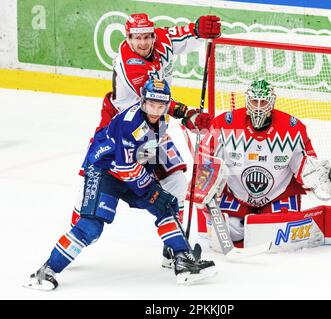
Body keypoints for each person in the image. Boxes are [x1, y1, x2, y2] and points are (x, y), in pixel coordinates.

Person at [24, 79, 217, 291]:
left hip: (132, 169)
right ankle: (46, 271)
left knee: (166, 207)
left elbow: (167, 107)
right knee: (91, 227)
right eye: (152, 104)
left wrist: (189, 114)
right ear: (143, 101)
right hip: (104, 170)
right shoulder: (130, 124)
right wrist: (153, 191)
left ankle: (183, 262)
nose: (156, 110)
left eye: (161, 106)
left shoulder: (160, 115)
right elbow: (125, 168)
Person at [71, 12, 221, 233]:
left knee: (176, 180)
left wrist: (198, 29)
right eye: (136, 38)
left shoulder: (160, 40)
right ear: (128, 38)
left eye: (147, 37)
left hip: (153, 129)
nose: (143, 43)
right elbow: (154, 101)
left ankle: (175, 246)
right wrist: (187, 113)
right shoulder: (130, 64)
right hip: (118, 131)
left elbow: (183, 35)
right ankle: (78, 228)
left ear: (153, 35)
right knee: (98, 177)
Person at [198, 79, 331, 248]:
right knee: (230, 231)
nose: (259, 107)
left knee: (277, 232)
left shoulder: (292, 129)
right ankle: (244, 221)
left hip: (278, 195)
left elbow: (304, 165)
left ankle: (262, 220)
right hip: (235, 194)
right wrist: (204, 187)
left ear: (272, 102)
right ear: (247, 101)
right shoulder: (226, 124)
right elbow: (206, 156)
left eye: (264, 102)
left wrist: (319, 176)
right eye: (254, 101)